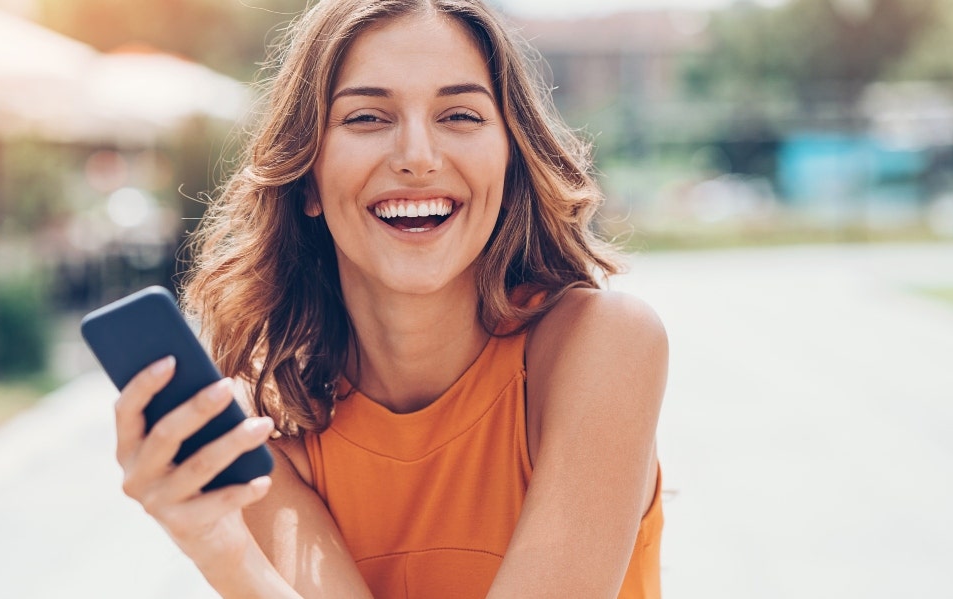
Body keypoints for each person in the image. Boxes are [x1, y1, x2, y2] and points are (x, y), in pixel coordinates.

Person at [112, 0, 668, 597]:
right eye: (367, 118)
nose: (418, 158)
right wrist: (220, 552)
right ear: (308, 180)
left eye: (459, 115)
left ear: (509, 160)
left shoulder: (602, 344)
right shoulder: (264, 438)